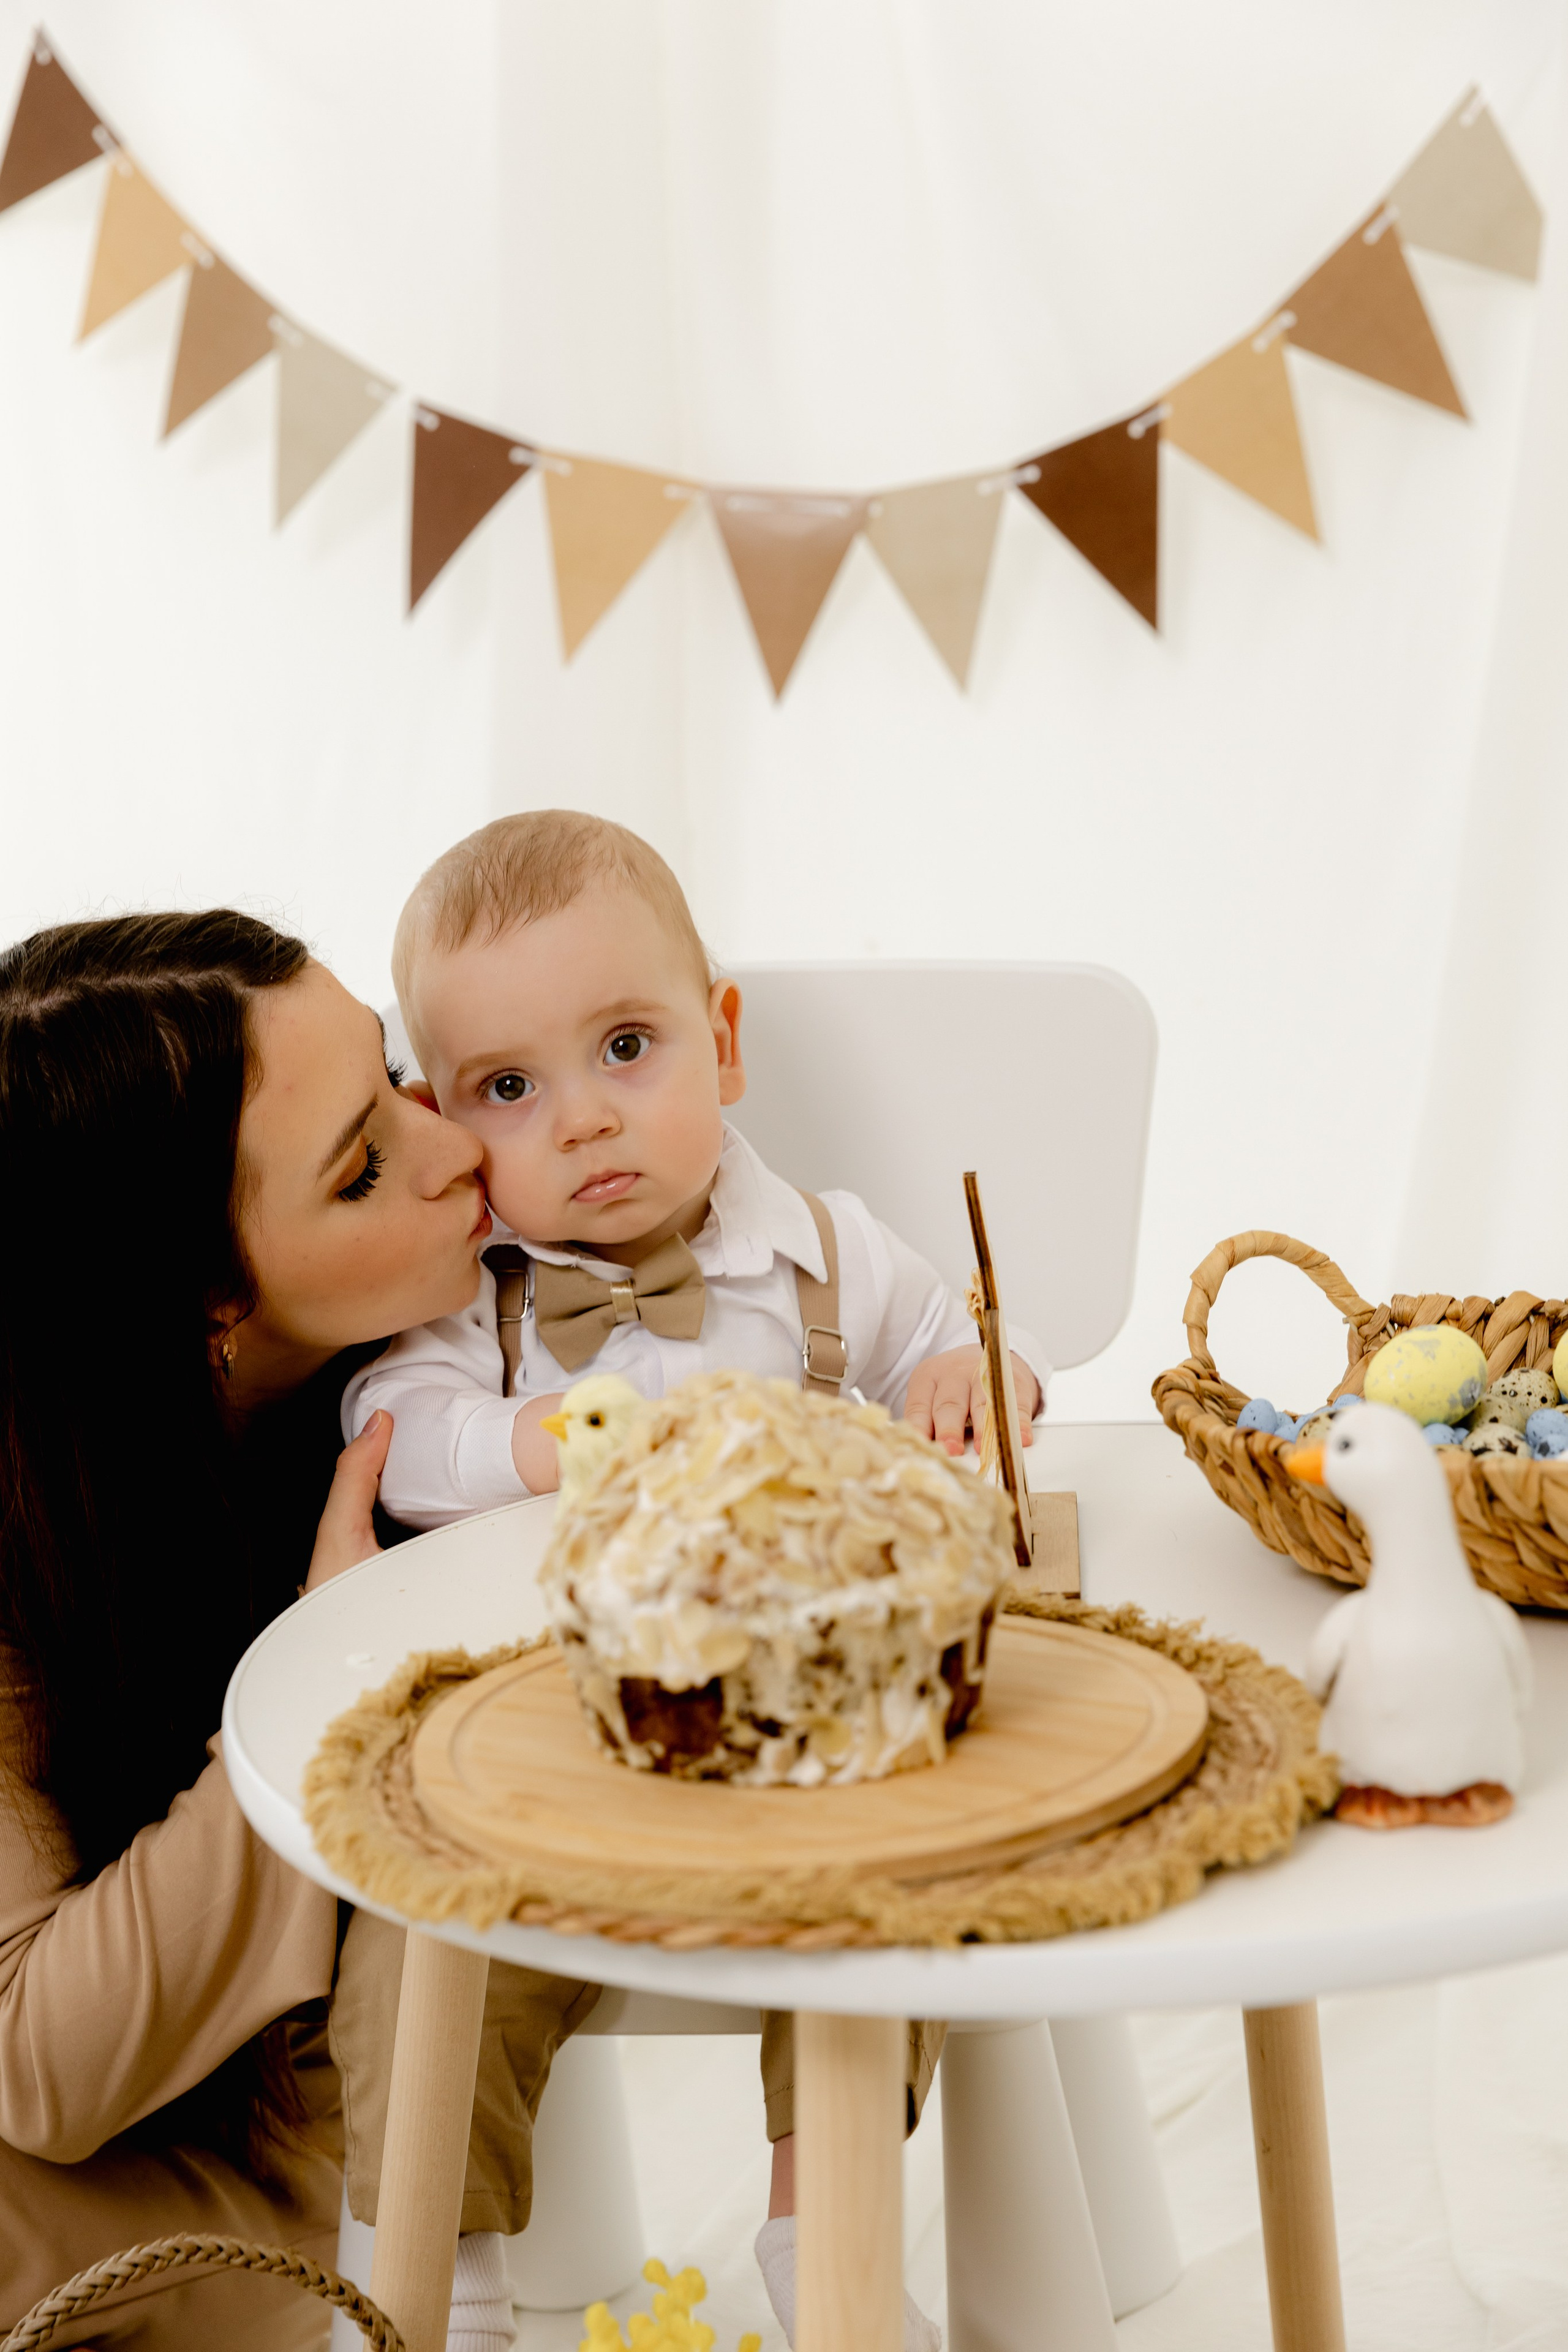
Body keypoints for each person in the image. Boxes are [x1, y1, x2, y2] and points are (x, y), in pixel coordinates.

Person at [339, 810, 1051, 2350]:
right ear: (443, 1121)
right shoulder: (485, 1305)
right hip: (537, 1738)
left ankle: (824, 2233)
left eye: (626, 1047)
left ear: (720, 1043)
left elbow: (963, 1343)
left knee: (881, 1887)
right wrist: (531, 1446)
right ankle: (442, 2285)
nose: (585, 1121)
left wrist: (966, 1390)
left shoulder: (824, 1255)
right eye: (511, 1089)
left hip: (797, 1734)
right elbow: (389, 1439)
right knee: (418, 1934)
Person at [0, 910, 498, 2350]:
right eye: (362, 1169)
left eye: (399, 1078)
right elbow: (43, 2063)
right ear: (206, 1304)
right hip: (107, 2177)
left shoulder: (476, 1380)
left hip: (270, 2149)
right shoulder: (39, 1518)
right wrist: (322, 1660)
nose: (452, 1143)